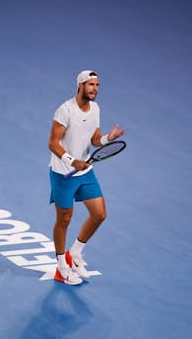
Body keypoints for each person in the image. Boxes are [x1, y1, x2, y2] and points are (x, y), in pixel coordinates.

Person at [48, 70, 125, 285]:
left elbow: (94, 139)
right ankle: (61, 267)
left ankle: (75, 253)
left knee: (99, 214)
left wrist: (109, 137)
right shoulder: (65, 111)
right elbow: (53, 143)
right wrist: (72, 161)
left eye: (98, 85)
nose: (95, 89)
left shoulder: (95, 109)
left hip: (85, 172)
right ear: (80, 86)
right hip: (63, 173)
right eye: (91, 85)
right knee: (64, 219)